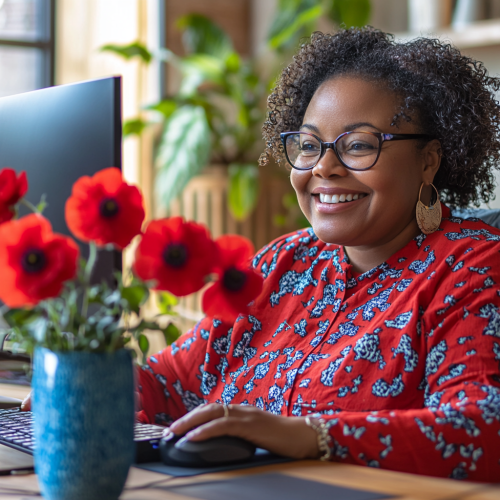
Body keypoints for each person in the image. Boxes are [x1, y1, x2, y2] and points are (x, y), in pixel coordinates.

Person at [23, 28, 500, 481]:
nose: (324, 168)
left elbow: (481, 430)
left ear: (428, 160)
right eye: (309, 145)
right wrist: (90, 390)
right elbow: (171, 384)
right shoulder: (283, 262)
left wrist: (308, 436)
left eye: (358, 146)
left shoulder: (473, 270)